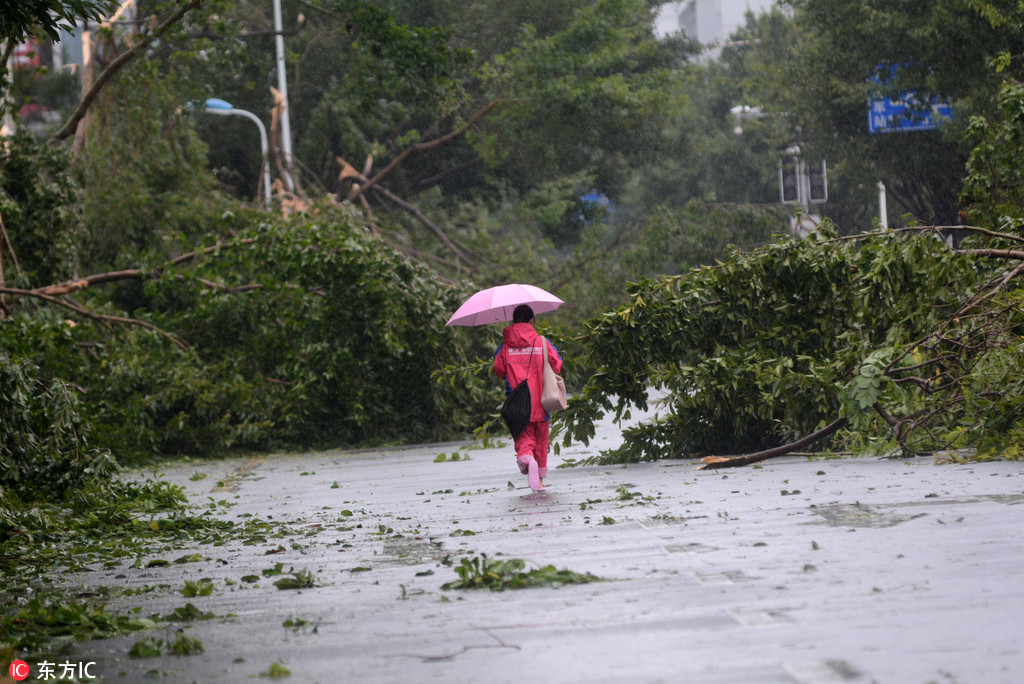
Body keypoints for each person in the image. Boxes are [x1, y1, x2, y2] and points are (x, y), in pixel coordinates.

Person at [493, 304, 563, 491]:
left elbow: (499, 369)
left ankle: (526, 458)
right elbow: (557, 364)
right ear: (532, 320)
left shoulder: (506, 345)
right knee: (541, 440)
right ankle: (539, 481)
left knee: (524, 438)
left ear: (514, 321)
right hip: (542, 401)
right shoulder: (542, 342)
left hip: (518, 403)